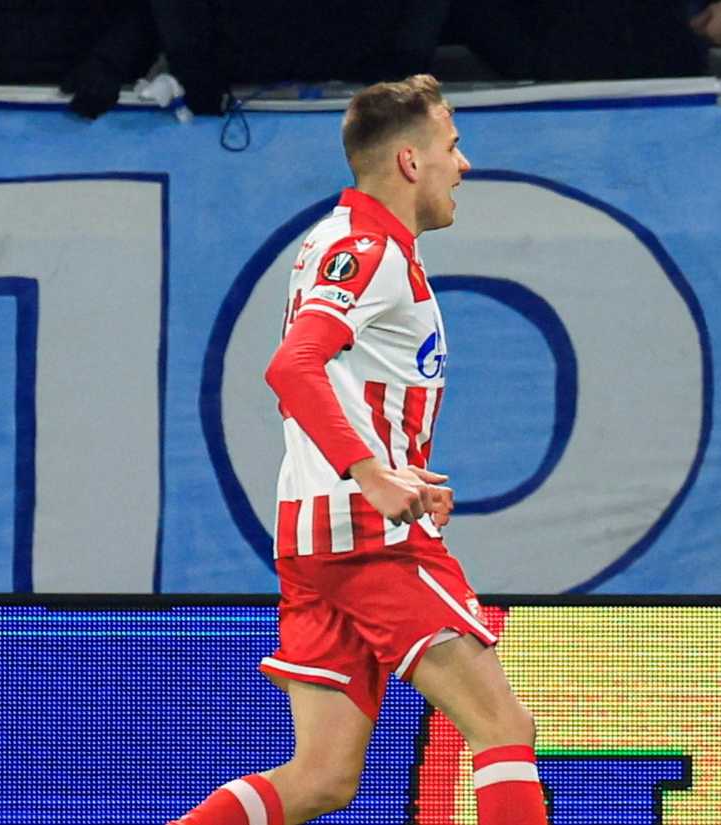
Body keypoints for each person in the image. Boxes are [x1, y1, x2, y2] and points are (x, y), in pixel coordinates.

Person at [168, 75, 547, 825]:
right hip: (367, 536)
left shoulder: (338, 239)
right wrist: (372, 475)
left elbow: (337, 385)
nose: (463, 165)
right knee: (504, 728)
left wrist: (395, 470)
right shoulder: (370, 250)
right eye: (452, 146)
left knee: (321, 777)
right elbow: (293, 366)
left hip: (315, 532)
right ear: (410, 161)